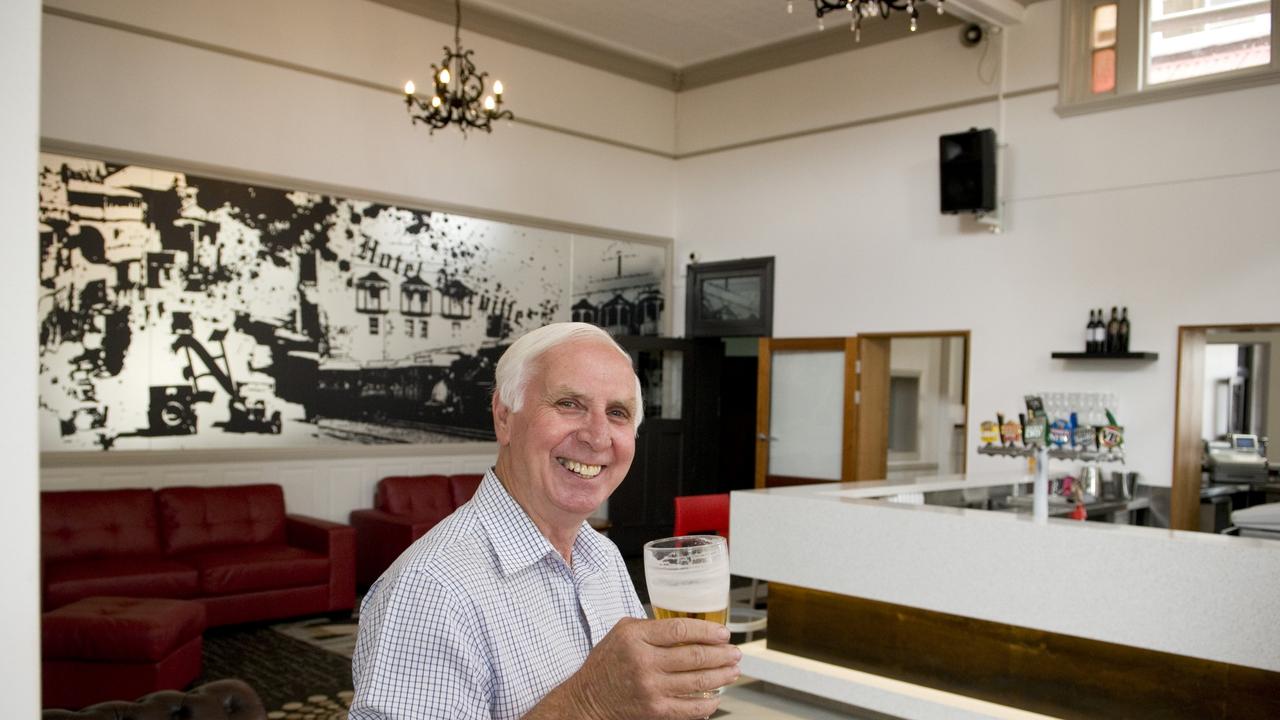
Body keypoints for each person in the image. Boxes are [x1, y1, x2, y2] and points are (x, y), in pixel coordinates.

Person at [350, 322, 740, 720]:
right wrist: (587, 702)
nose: (598, 436)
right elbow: (604, 700)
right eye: (569, 404)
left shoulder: (603, 557)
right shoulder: (433, 588)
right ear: (504, 417)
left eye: (618, 413)